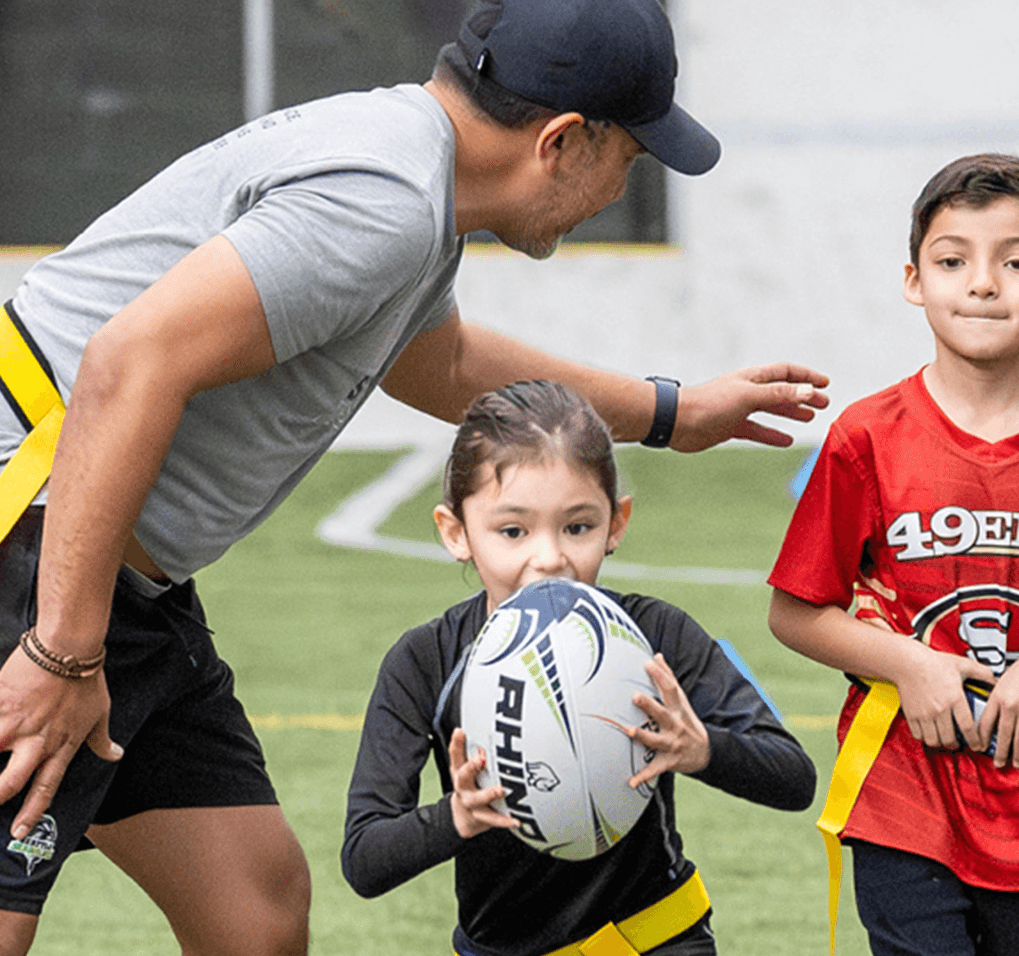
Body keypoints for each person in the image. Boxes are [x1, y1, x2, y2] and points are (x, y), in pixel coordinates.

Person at [0, 0, 828, 956]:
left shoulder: (412, 181)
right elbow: (128, 364)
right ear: (562, 142)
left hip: (113, 577)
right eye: (631, 157)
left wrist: (669, 411)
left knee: (254, 912)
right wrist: (61, 650)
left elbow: (434, 358)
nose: (621, 187)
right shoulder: (384, 198)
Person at [766, 154, 1019, 956]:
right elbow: (796, 611)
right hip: (902, 792)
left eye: (1017, 262)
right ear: (914, 280)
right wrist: (907, 664)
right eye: (953, 261)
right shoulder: (866, 436)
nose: (983, 284)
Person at [340, 380, 815, 955]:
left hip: (657, 940)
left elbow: (794, 776)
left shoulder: (657, 634)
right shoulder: (425, 660)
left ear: (616, 523)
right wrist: (456, 817)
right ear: (455, 532)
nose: (549, 557)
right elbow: (365, 858)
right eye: (512, 531)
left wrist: (704, 748)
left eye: (578, 527)